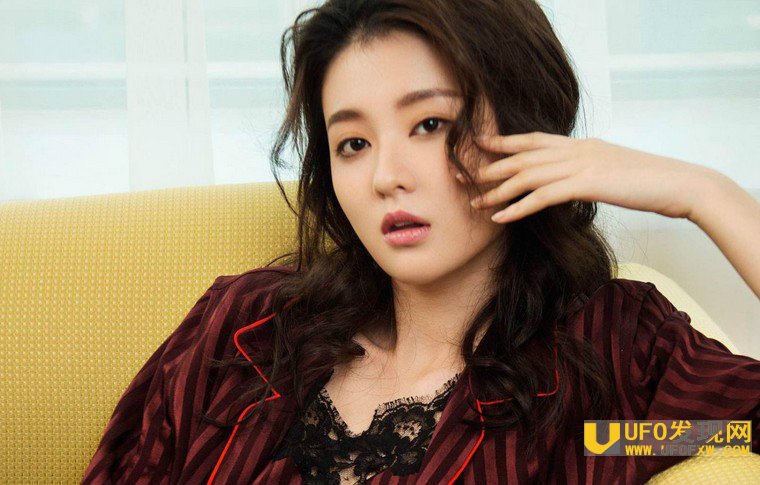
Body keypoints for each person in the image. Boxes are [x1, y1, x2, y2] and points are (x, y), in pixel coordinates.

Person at [81, 0, 760, 483]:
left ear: (524, 123)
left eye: (429, 124)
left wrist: (705, 193)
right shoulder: (244, 330)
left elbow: (732, 433)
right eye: (353, 143)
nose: (385, 177)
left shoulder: (607, 373)